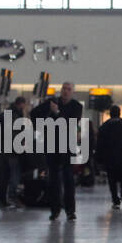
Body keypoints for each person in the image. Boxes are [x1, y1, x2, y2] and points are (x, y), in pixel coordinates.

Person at [31, 82, 83, 221]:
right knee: (53, 180)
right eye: (64, 89)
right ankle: (55, 210)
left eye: (68, 89)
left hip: (67, 147)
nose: (65, 92)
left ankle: (70, 211)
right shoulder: (51, 102)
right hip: (52, 146)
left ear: (72, 92)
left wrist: (57, 113)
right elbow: (34, 113)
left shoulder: (76, 107)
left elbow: (69, 124)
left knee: (68, 179)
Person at [96, 104, 122, 209]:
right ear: (119, 113)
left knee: (112, 180)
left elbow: (99, 145)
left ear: (110, 113)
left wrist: (99, 161)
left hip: (109, 159)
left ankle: (115, 200)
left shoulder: (104, 127)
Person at [0, 95, 29, 209]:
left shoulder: (6, 113)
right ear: (21, 104)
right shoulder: (15, 115)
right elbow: (16, 133)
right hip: (12, 151)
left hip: (3, 150)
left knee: (5, 176)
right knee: (15, 174)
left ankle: (2, 200)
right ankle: (12, 196)